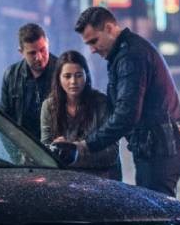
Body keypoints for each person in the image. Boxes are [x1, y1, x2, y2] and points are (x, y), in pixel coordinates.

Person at [72, 6, 180, 196]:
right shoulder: (124, 53)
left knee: (156, 215)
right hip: (158, 147)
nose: (92, 49)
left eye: (94, 41)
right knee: (157, 211)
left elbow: (126, 114)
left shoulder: (130, 56)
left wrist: (87, 145)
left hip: (159, 150)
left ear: (110, 28)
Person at [40, 50, 121, 180]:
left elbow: (111, 154)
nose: (73, 81)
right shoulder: (49, 106)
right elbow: (44, 151)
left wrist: (71, 150)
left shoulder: (101, 103)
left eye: (78, 75)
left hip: (100, 179)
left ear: (86, 76)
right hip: (64, 179)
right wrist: (54, 147)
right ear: (59, 79)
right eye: (67, 76)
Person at [0, 23, 57, 140]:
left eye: (43, 50)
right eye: (32, 53)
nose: (39, 57)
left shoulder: (63, 71)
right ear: (21, 52)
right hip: (24, 148)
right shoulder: (11, 75)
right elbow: (4, 121)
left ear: (48, 43)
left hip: (55, 149)